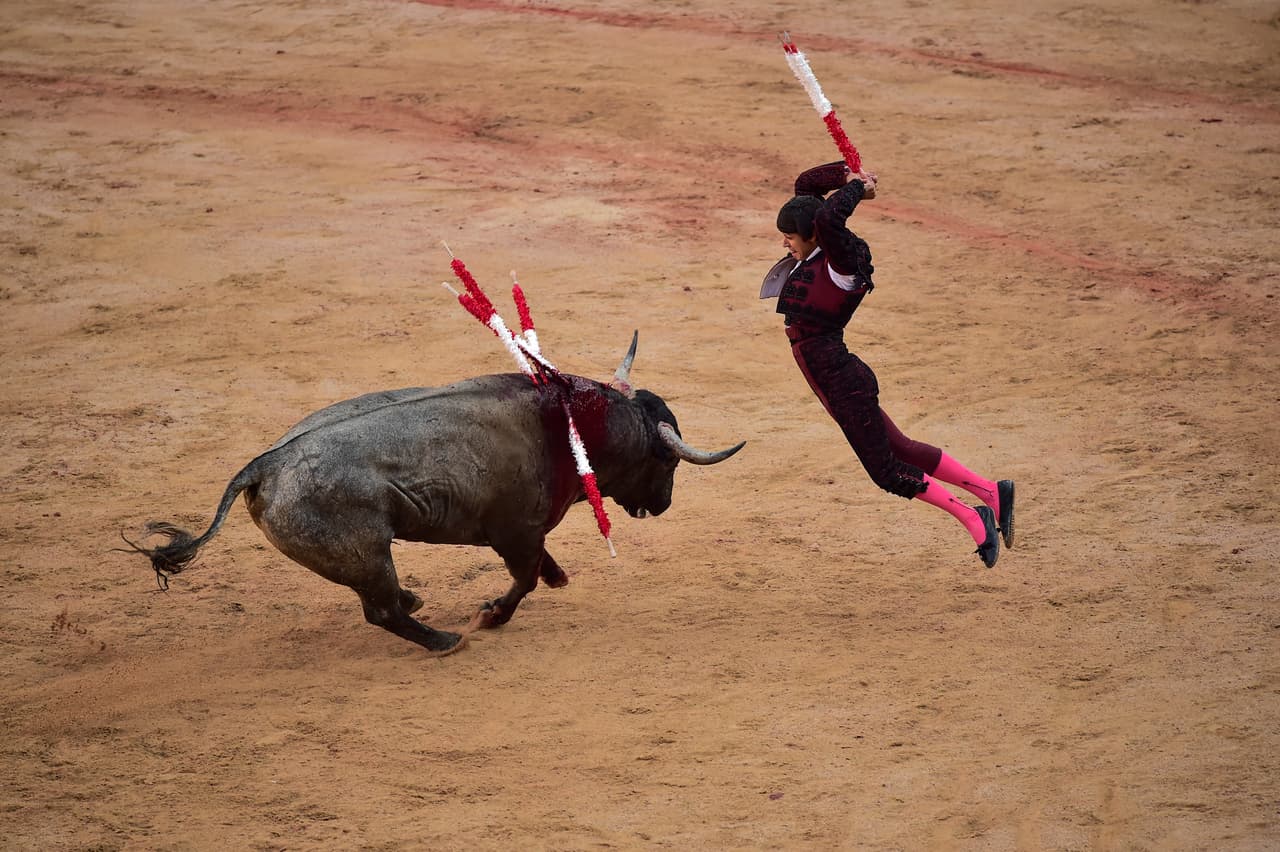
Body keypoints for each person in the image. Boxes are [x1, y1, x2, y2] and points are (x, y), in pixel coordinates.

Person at [762, 160, 1014, 567]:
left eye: (790, 237)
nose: (784, 244)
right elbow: (807, 186)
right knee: (901, 448)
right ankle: (991, 492)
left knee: (887, 471)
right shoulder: (823, 244)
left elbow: (827, 217)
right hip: (838, 378)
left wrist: (857, 191)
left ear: (813, 234)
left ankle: (973, 517)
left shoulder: (841, 263)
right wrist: (849, 176)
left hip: (841, 381)